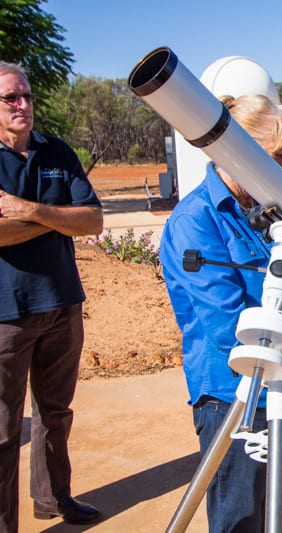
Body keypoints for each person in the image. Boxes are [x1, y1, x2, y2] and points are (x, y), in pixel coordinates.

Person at [159, 94, 282, 532]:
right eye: (276, 157)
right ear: (236, 152)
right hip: (231, 393)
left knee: (274, 512)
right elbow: (227, 325)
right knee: (239, 521)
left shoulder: (270, 210)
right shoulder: (194, 221)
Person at [0, 62, 104, 530]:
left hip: (62, 303)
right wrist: (58, 217)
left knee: (55, 415)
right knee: (3, 429)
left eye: (26, 96)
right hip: (7, 313)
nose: (23, 105)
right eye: (10, 99)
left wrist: (29, 210)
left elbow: (93, 221)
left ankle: (54, 499)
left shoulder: (56, 150)